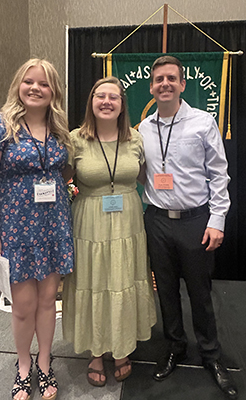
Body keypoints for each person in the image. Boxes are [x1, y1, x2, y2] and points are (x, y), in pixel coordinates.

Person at [0, 58, 74, 400]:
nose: (35, 88)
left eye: (44, 84)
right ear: (19, 84)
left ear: (53, 91)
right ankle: (23, 366)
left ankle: (45, 364)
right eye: (29, 81)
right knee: (22, 305)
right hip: (15, 229)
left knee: (48, 301)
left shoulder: (59, 128)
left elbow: (63, 173)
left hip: (52, 226)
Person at [139, 55, 238, 399]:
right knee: (164, 291)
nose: (164, 84)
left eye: (171, 78)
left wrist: (217, 220)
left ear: (182, 84)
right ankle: (175, 346)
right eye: (158, 79)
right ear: (151, 87)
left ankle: (211, 355)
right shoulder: (143, 130)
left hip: (196, 221)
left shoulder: (203, 122)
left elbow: (218, 175)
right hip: (157, 222)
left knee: (200, 292)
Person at [62, 76, 156, 386]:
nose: (106, 101)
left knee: (123, 279)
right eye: (99, 95)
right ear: (91, 102)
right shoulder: (75, 139)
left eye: (113, 97)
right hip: (89, 220)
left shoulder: (136, 139)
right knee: (93, 280)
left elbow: (146, 177)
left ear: (122, 105)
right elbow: (62, 179)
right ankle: (96, 351)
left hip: (128, 219)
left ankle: (122, 347)